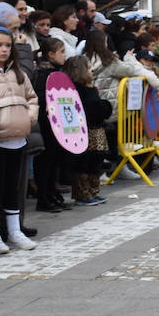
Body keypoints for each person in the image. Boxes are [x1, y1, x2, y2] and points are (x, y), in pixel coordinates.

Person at [0, 26, 38, 253]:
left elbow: (32, 97)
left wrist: (30, 116)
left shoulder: (18, 72)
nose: (4, 50)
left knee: (13, 187)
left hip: (19, 138)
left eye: (8, 45)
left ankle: (14, 231)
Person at [63, 55, 110, 206]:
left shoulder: (90, 87)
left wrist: (103, 106)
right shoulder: (78, 89)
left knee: (96, 160)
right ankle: (83, 193)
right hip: (85, 130)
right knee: (83, 161)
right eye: (88, 68)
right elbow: (90, 108)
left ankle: (93, 190)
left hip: (97, 129)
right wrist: (103, 106)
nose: (91, 71)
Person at [32, 36, 69, 212]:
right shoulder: (42, 74)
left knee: (54, 160)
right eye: (61, 52)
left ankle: (52, 193)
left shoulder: (58, 73)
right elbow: (42, 100)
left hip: (57, 124)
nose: (64, 55)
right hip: (46, 124)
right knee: (45, 162)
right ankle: (43, 197)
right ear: (50, 54)